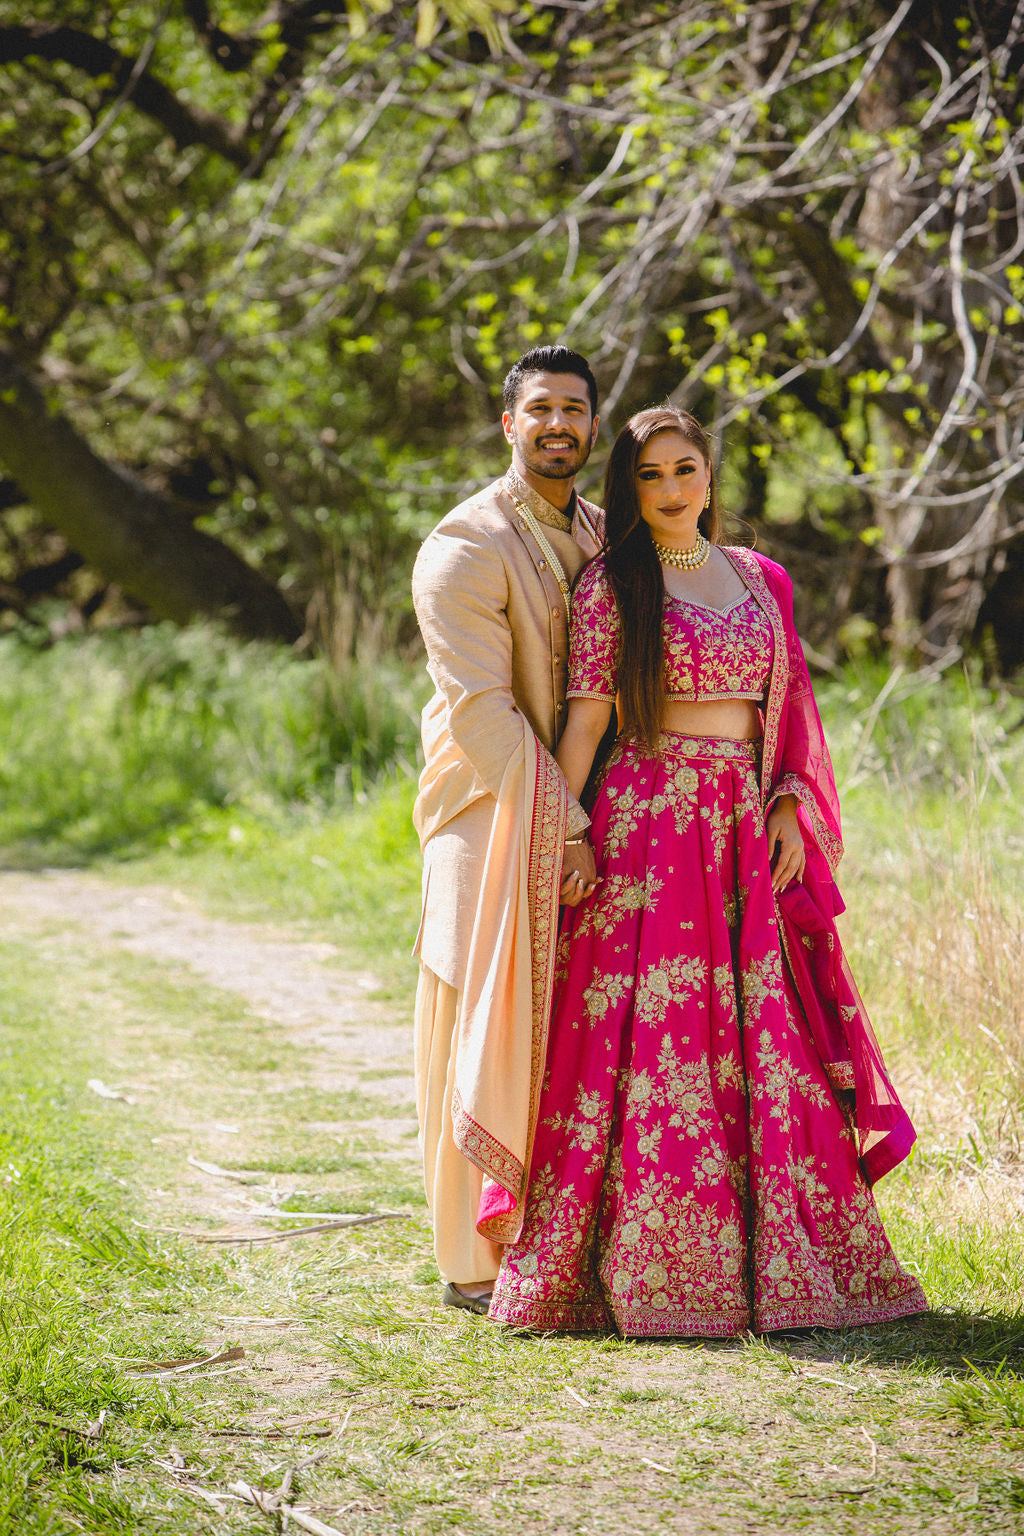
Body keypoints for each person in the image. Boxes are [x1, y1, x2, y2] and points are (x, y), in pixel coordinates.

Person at [488, 406, 927, 1336]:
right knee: (648, 1044)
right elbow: (586, 725)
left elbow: (791, 712)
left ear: (711, 475)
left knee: (765, 1036)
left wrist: (786, 807)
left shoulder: (766, 581)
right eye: (650, 477)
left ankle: (785, 1262)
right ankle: (633, 1268)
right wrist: (565, 830)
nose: (673, 489)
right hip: (648, 826)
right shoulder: (615, 584)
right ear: (630, 490)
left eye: (685, 469)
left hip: (741, 827)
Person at [411, 345, 606, 1315]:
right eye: (541, 409)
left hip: (574, 813)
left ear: (593, 426)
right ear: (508, 424)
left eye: (574, 409)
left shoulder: (609, 536)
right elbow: (483, 712)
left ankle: (558, 1240)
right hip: (485, 807)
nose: (558, 425)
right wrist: (563, 821)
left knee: (569, 1026)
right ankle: (468, 1260)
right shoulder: (465, 545)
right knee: (477, 1022)